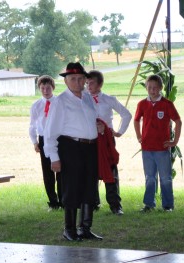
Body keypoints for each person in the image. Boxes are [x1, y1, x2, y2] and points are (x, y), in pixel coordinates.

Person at [43, 62, 101, 241]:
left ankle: (85, 227)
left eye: (80, 79)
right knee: (72, 188)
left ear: (85, 80)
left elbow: (90, 120)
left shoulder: (88, 98)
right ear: (66, 81)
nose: (77, 82)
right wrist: (54, 157)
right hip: (70, 148)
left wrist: (97, 127)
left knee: (90, 186)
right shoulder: (60, 101)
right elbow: (50, 132)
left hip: (90, 147)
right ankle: (69, 229)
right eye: (73, 79)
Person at [133, 74, 182, 212]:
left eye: (155, 88)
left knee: (166, 178)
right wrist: (139, 136)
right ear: (146, 88)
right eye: (149, 87)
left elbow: (178, 121)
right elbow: (136, 120)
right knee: (149, 178)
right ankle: (149, 204)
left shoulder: (167, 104)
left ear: (160, 88)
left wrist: (175, 141)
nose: (152, 90)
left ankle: (168, 205)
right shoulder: (142, 104)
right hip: (147, 148)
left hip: (162, 148)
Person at [86, 69, 131, 215]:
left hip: (107, 140)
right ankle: (92, 203)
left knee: (111, 171)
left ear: (100, 84)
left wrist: (119, 132)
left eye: (91, 83)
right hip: (90, 140)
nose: (88, 86)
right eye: (87, 83)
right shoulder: (82, 100)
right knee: (90, 171)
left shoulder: (109, 99)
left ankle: (115, 205)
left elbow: (126, 114)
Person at [29, 75, 62, 210]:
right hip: (43, 139)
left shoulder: (59, 102)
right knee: (47, 171)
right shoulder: (36, 105)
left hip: (59, 138)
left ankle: (64, 200)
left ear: (53, 88)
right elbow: (32, 125)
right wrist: (34, 141)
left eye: (48, 88)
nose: (45, 91)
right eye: (42, 88)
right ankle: (53, 202)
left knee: (61, 170)